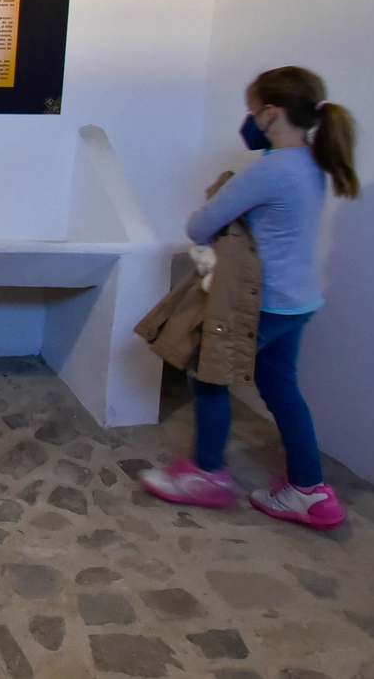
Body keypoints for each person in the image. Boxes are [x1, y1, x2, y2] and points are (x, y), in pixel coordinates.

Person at [141, 66, 359, 529]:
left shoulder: (272, 170)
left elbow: (199, 226)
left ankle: (206, 474)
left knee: (209, 378)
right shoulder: (313, 164)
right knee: (282, 389)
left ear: (271, 113)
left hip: (259, 301)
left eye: (252, 110)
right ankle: (309, 490)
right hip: (297, 301)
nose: (248, 120)